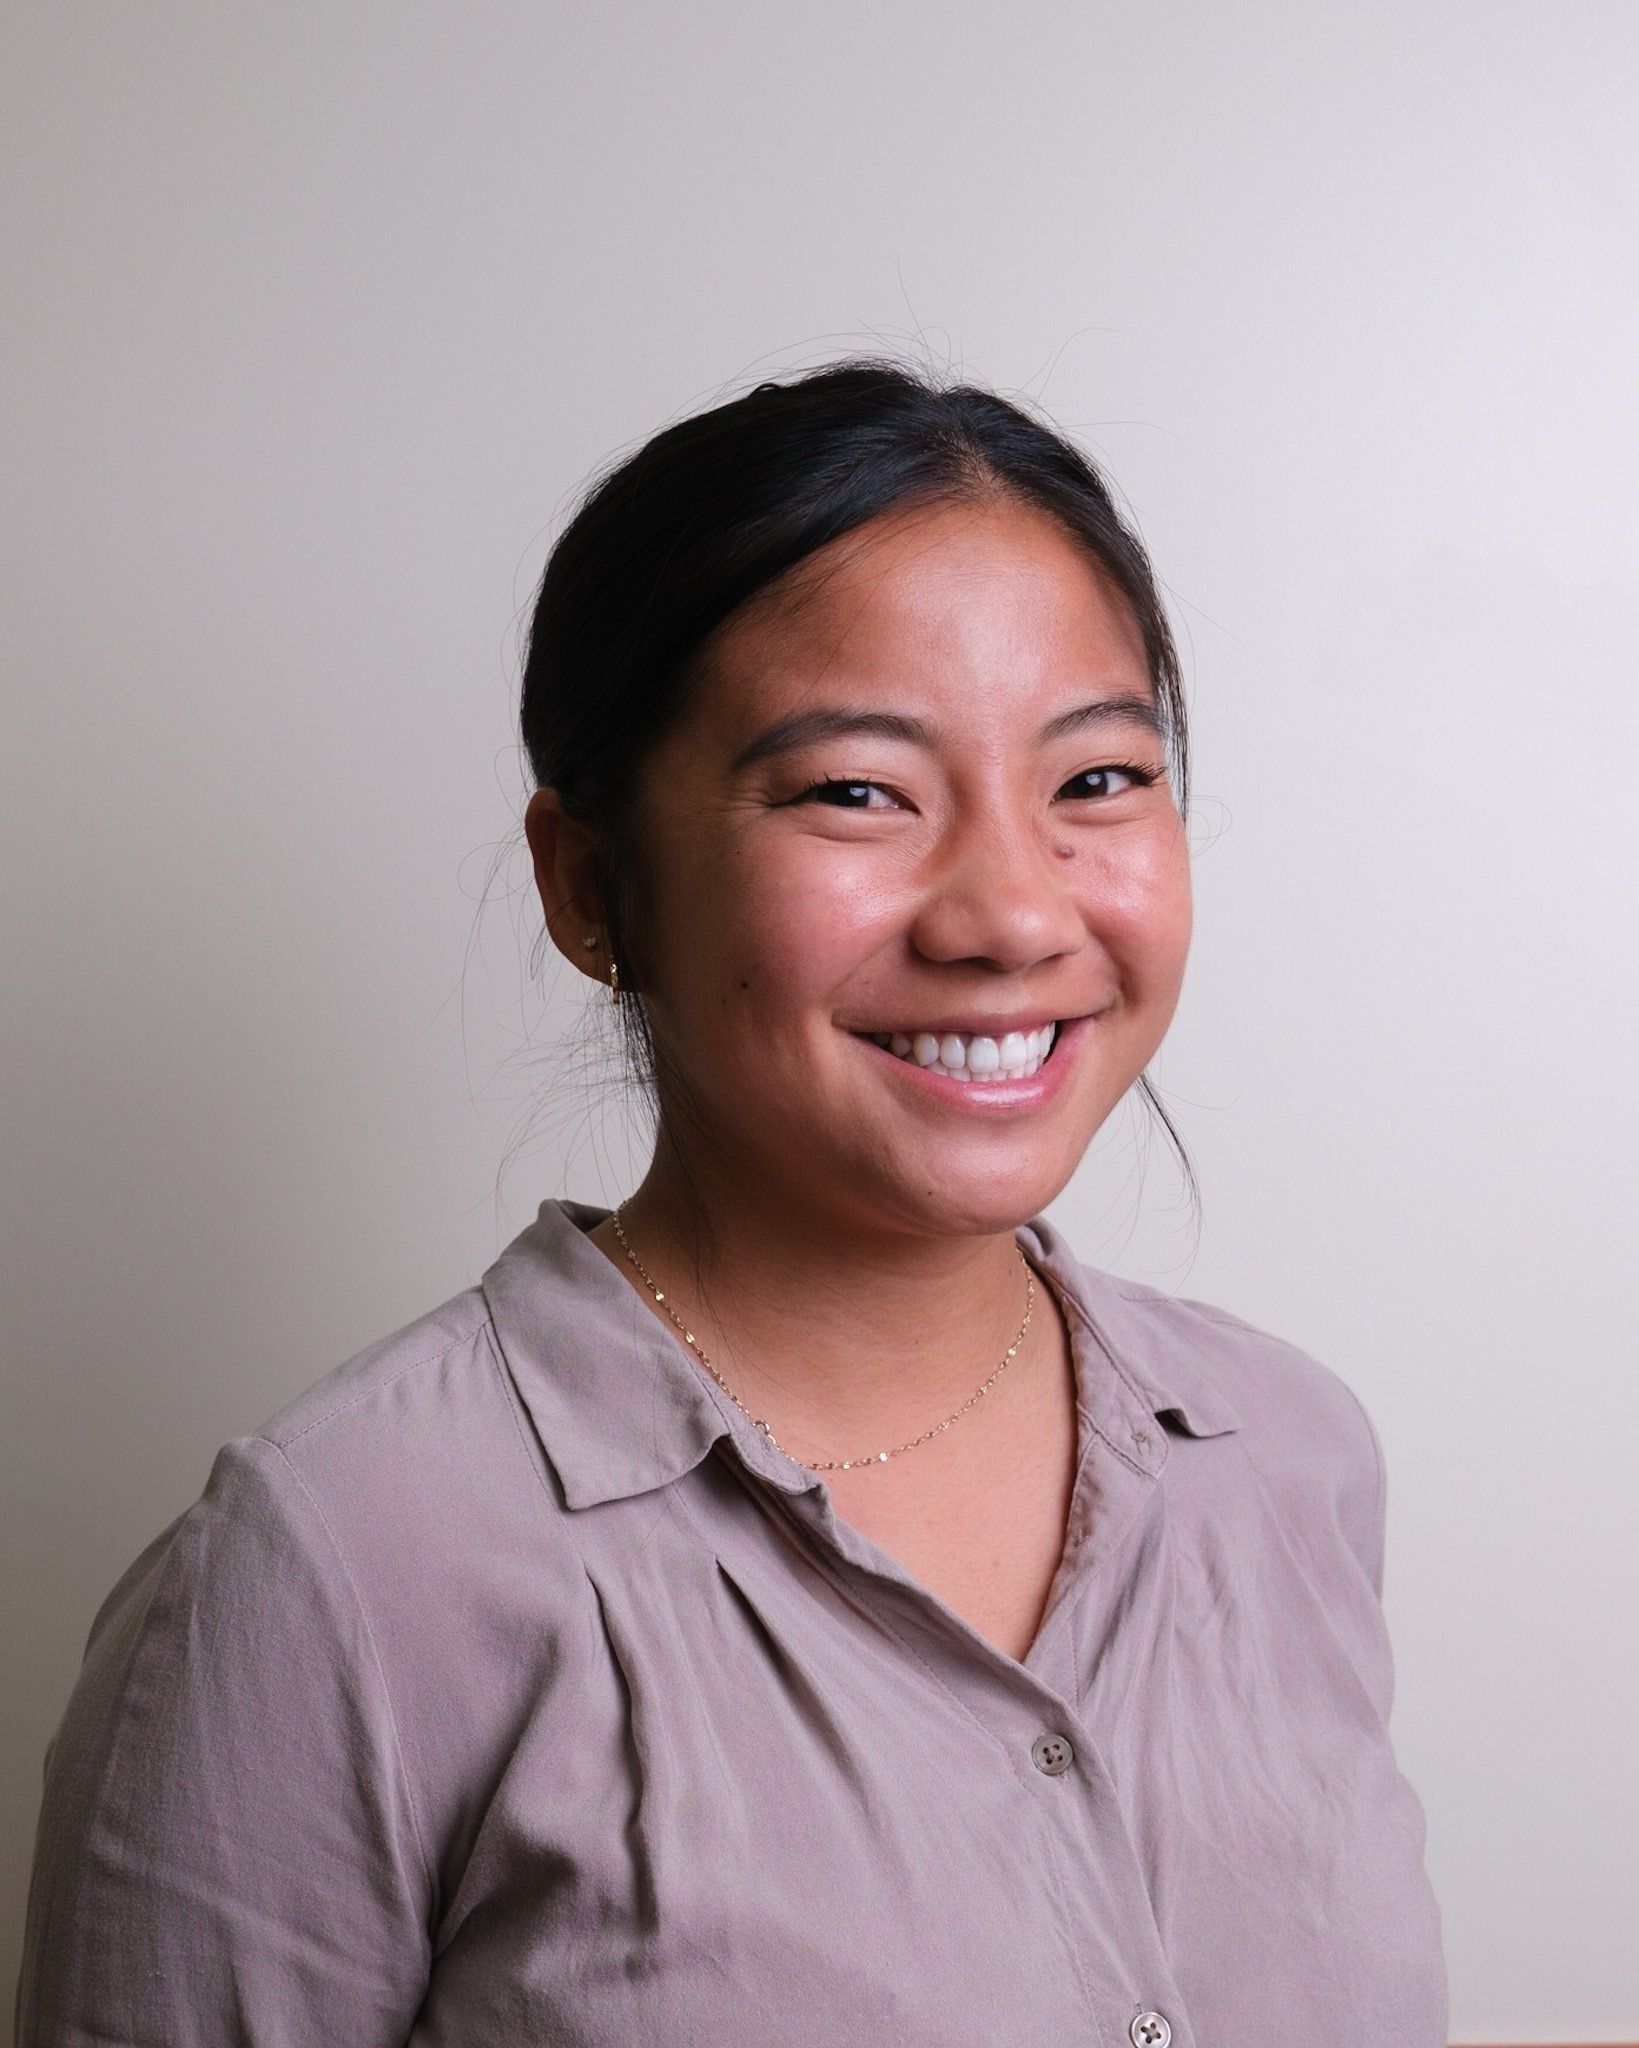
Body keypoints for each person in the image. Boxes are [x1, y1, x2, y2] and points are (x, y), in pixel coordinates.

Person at [14, 358, 1447, 2046]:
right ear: (591, 884)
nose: (1007, 910)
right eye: (856, 791)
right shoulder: (338, 1562)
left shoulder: (1288, 1462)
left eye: (1099, 781)